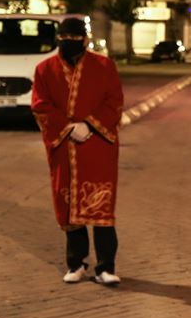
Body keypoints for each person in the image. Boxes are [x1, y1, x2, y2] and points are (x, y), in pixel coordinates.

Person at [31, 17, 124, 285]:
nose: (69, 42)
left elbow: (114, 101)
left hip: (97, 147)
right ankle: (77, 263)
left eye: (74, 38)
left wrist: (89, 125)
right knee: (69, 205)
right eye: (64, 38)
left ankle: (105, 267)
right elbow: (40, 105)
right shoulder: (44, 69)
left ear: (85, 40)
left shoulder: (104, 66)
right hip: (65, 147)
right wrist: (68, 128)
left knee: (101, 206)